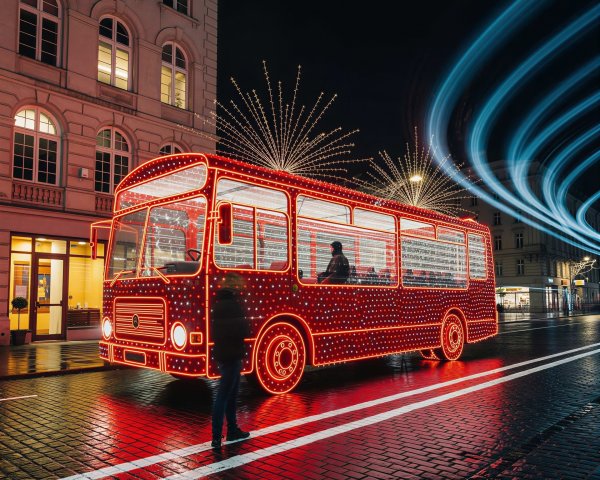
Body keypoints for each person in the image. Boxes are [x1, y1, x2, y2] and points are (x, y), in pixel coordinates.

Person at [211, 273, 251, 449]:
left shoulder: (217, 306)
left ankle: (227, 431)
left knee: (227, 394)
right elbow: (244, 330)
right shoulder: (235, 306)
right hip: (234, 354)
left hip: (221, 354)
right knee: (227, 395)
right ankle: (221, 434)